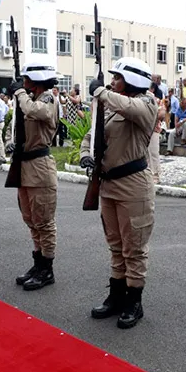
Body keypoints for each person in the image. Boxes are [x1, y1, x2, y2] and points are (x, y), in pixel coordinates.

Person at [80, 56, 157, 329]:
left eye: (117, 78)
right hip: (108, 184)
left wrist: (102, 92)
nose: (112, 82)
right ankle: (116, 295)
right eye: (112, 78)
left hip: (133, 185)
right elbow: (91, 133)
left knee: (134, 247)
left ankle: (134, 302)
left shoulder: (146, 104)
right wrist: (85, 154)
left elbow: (130, 108)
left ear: (133, 80)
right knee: (115, 244)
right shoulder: (111, 105)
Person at [9, 64, 59, 291]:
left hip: (39, 167)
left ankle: (46, 269)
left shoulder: (47, 99)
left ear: (36, 80)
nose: (23, 82)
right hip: (25, 164)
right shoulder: (31, 98)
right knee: (30, 219)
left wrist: (19, 93)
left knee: (44, 221)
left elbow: (38, 112)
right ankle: (38, 263)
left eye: (26, 79)